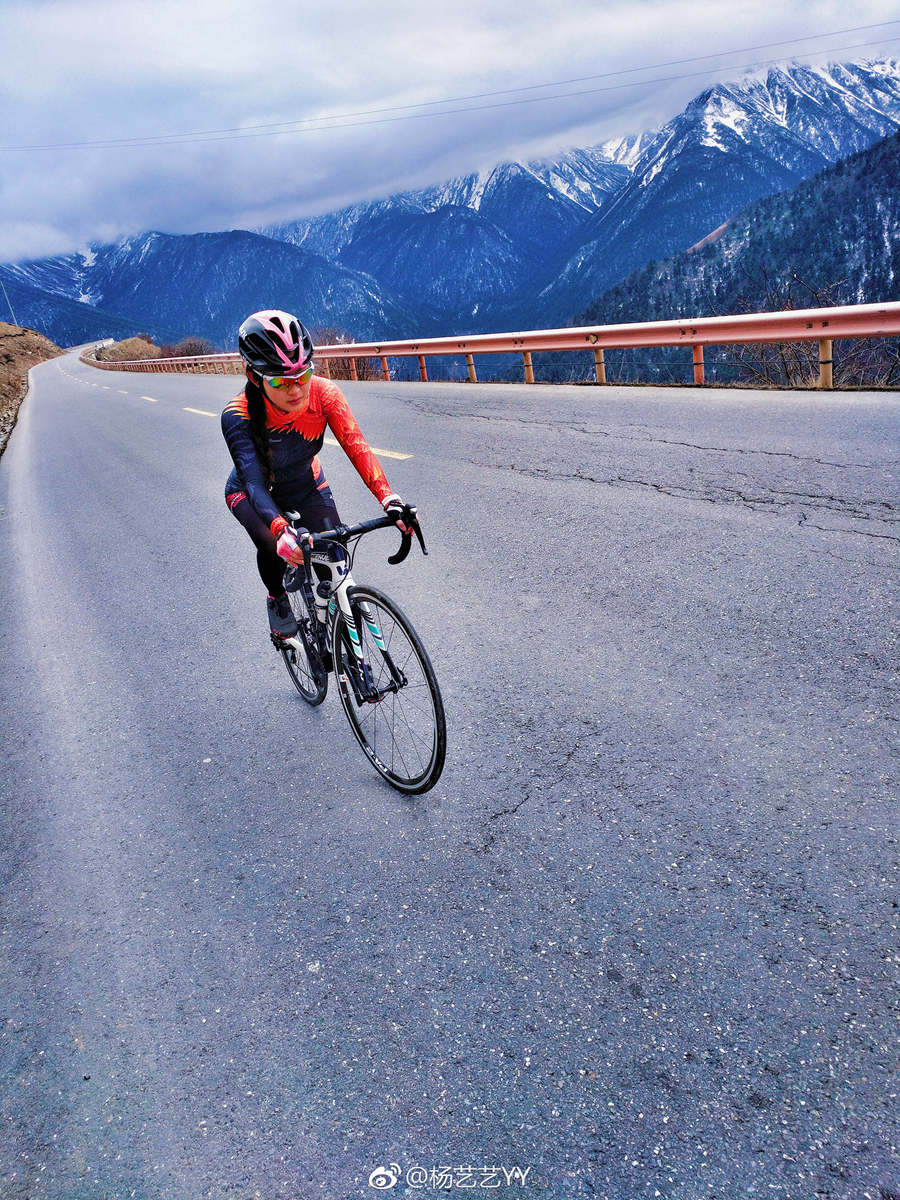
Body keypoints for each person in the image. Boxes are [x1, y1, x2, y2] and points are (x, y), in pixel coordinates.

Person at [222, 310, 409, 638]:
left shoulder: (325, 394)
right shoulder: (238, 415)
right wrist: (280, 530)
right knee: (273, 548)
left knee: (335, 554)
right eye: (280, 381)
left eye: (303, 375)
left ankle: (340, 643)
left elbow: (356, 445)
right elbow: (252, 482)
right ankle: (278, 598)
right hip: (253, 495)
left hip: (306, 484)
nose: (296, 390)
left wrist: (388, 498)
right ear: (254, 377)